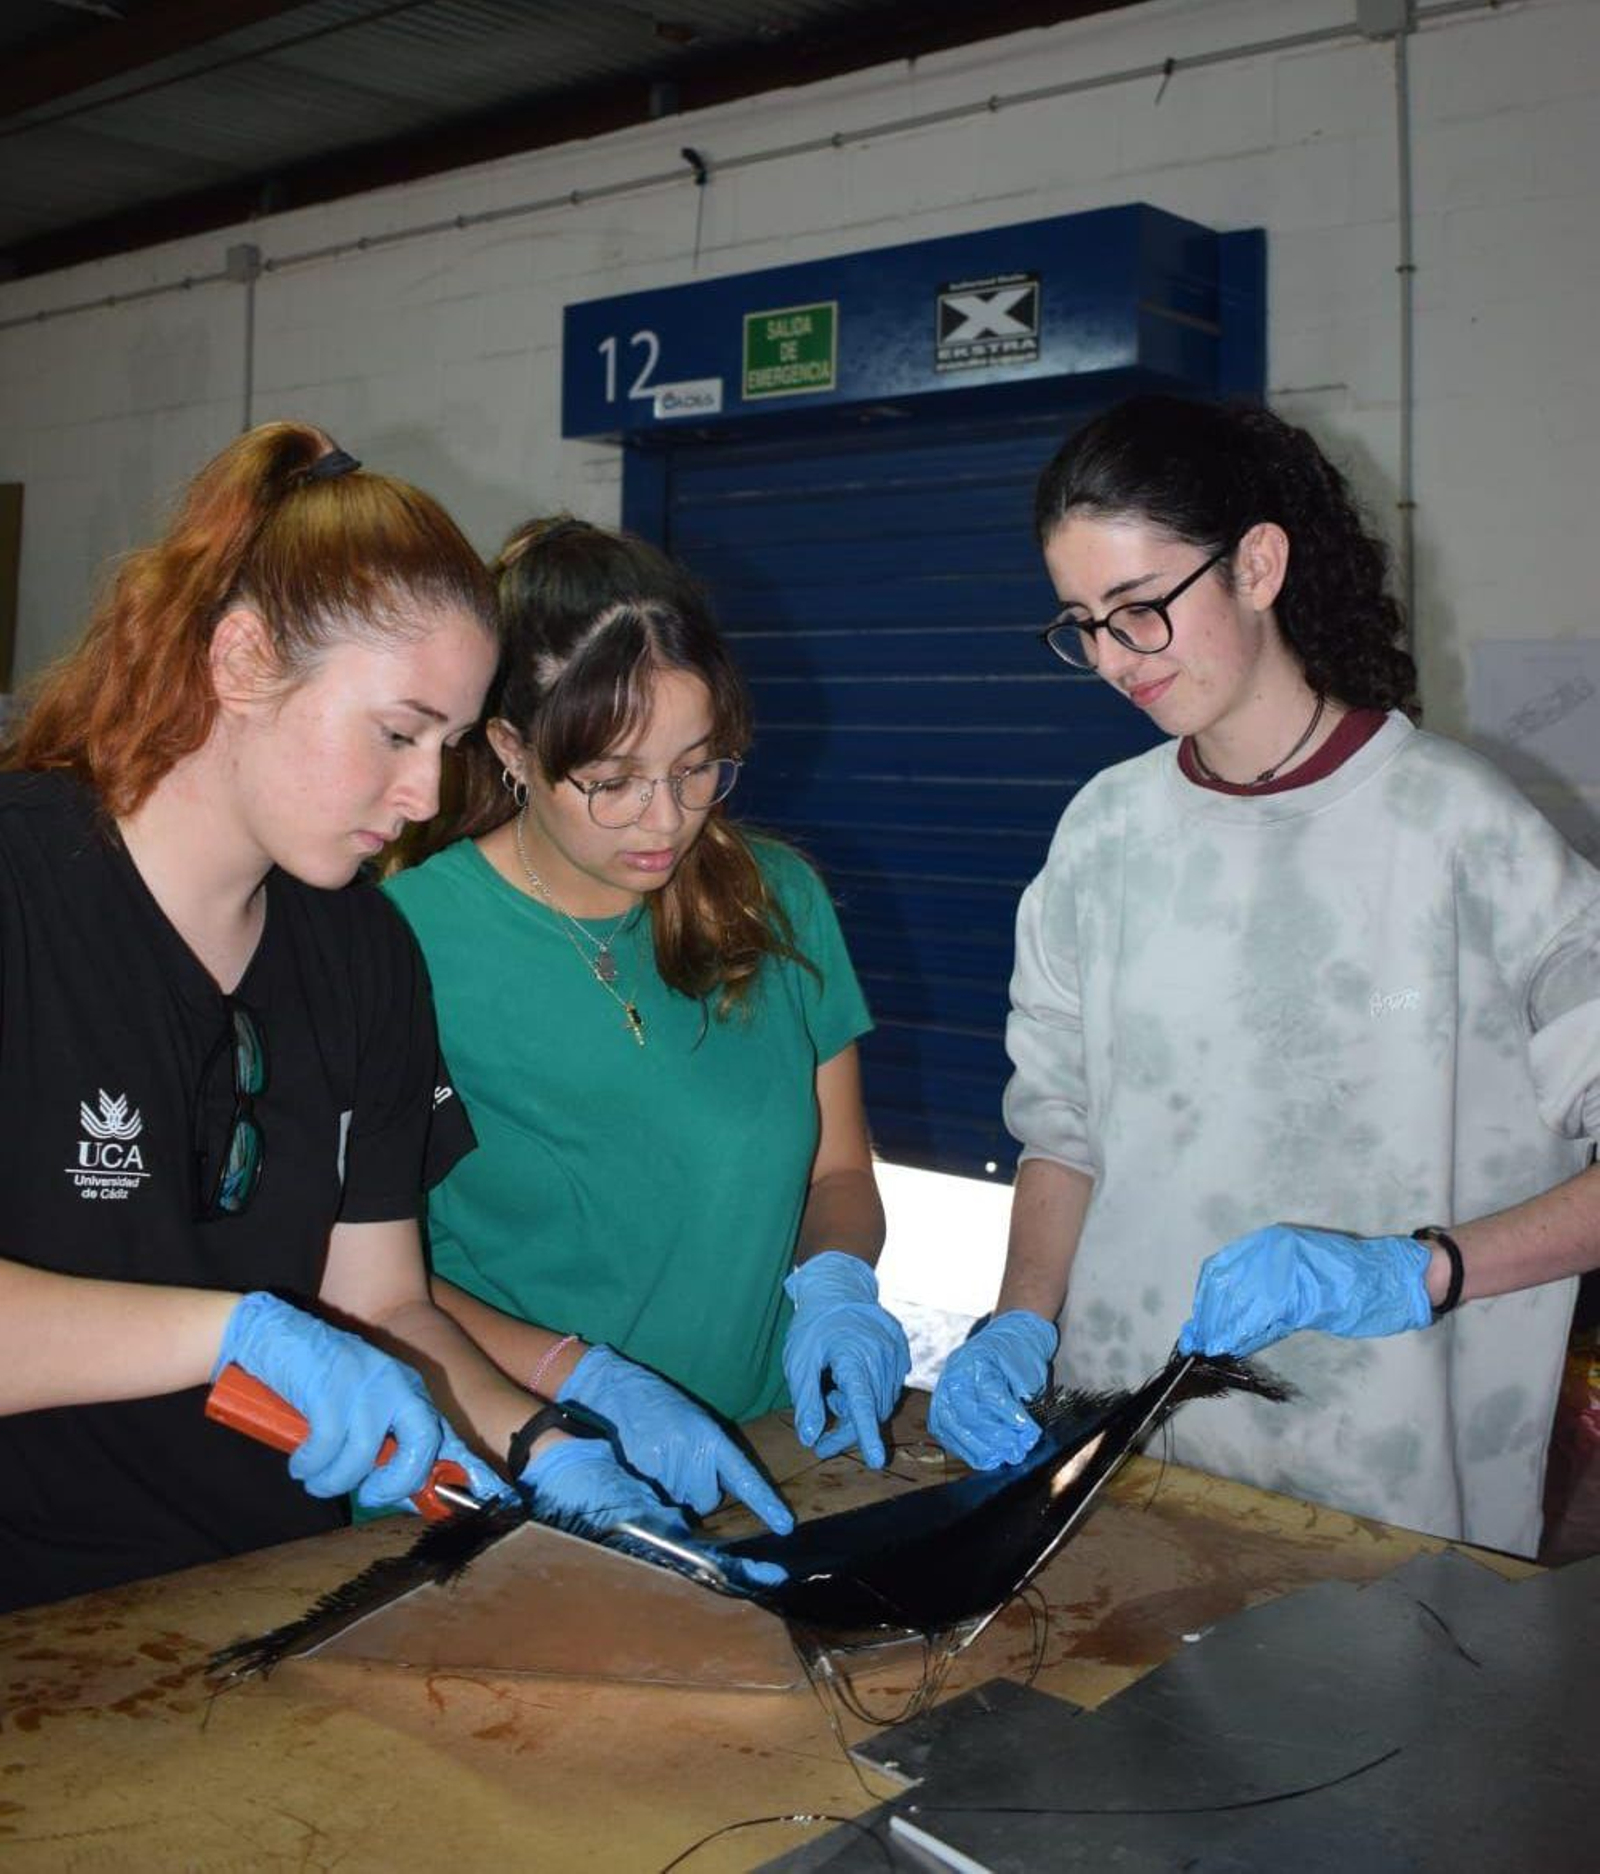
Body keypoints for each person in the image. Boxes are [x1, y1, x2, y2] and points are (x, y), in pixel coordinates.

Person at [0, 426, 765, 1614]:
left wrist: (543, 1440)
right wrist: (231, 1334)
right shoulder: (21, 886)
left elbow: (383, 1299)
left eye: (448, 745)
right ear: (242, 659)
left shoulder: (361, 951)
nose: (422, 793)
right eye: (397, 732)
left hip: (272, 1589)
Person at [929, 394, 1600, 1557]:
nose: (1111, 659)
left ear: (1256, 565)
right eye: (1082, 625)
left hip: (1384, 1493)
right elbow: (1062, 1129)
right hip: (1130, 1457)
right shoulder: (1104, 836)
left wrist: (1420, 1270)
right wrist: (1019, 1321)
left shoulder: (1460, 834)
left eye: (1139, 609)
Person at [384, 517, 909, 1492]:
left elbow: (837, 1168)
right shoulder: (401, 943)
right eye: (613, 782)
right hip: (524, 1461)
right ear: (511, 747)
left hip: (767, 1446)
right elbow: (367, 1278)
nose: (665, 819)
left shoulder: (777, 900)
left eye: (696, 767)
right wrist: (571, 1378)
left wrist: (837, 1285)